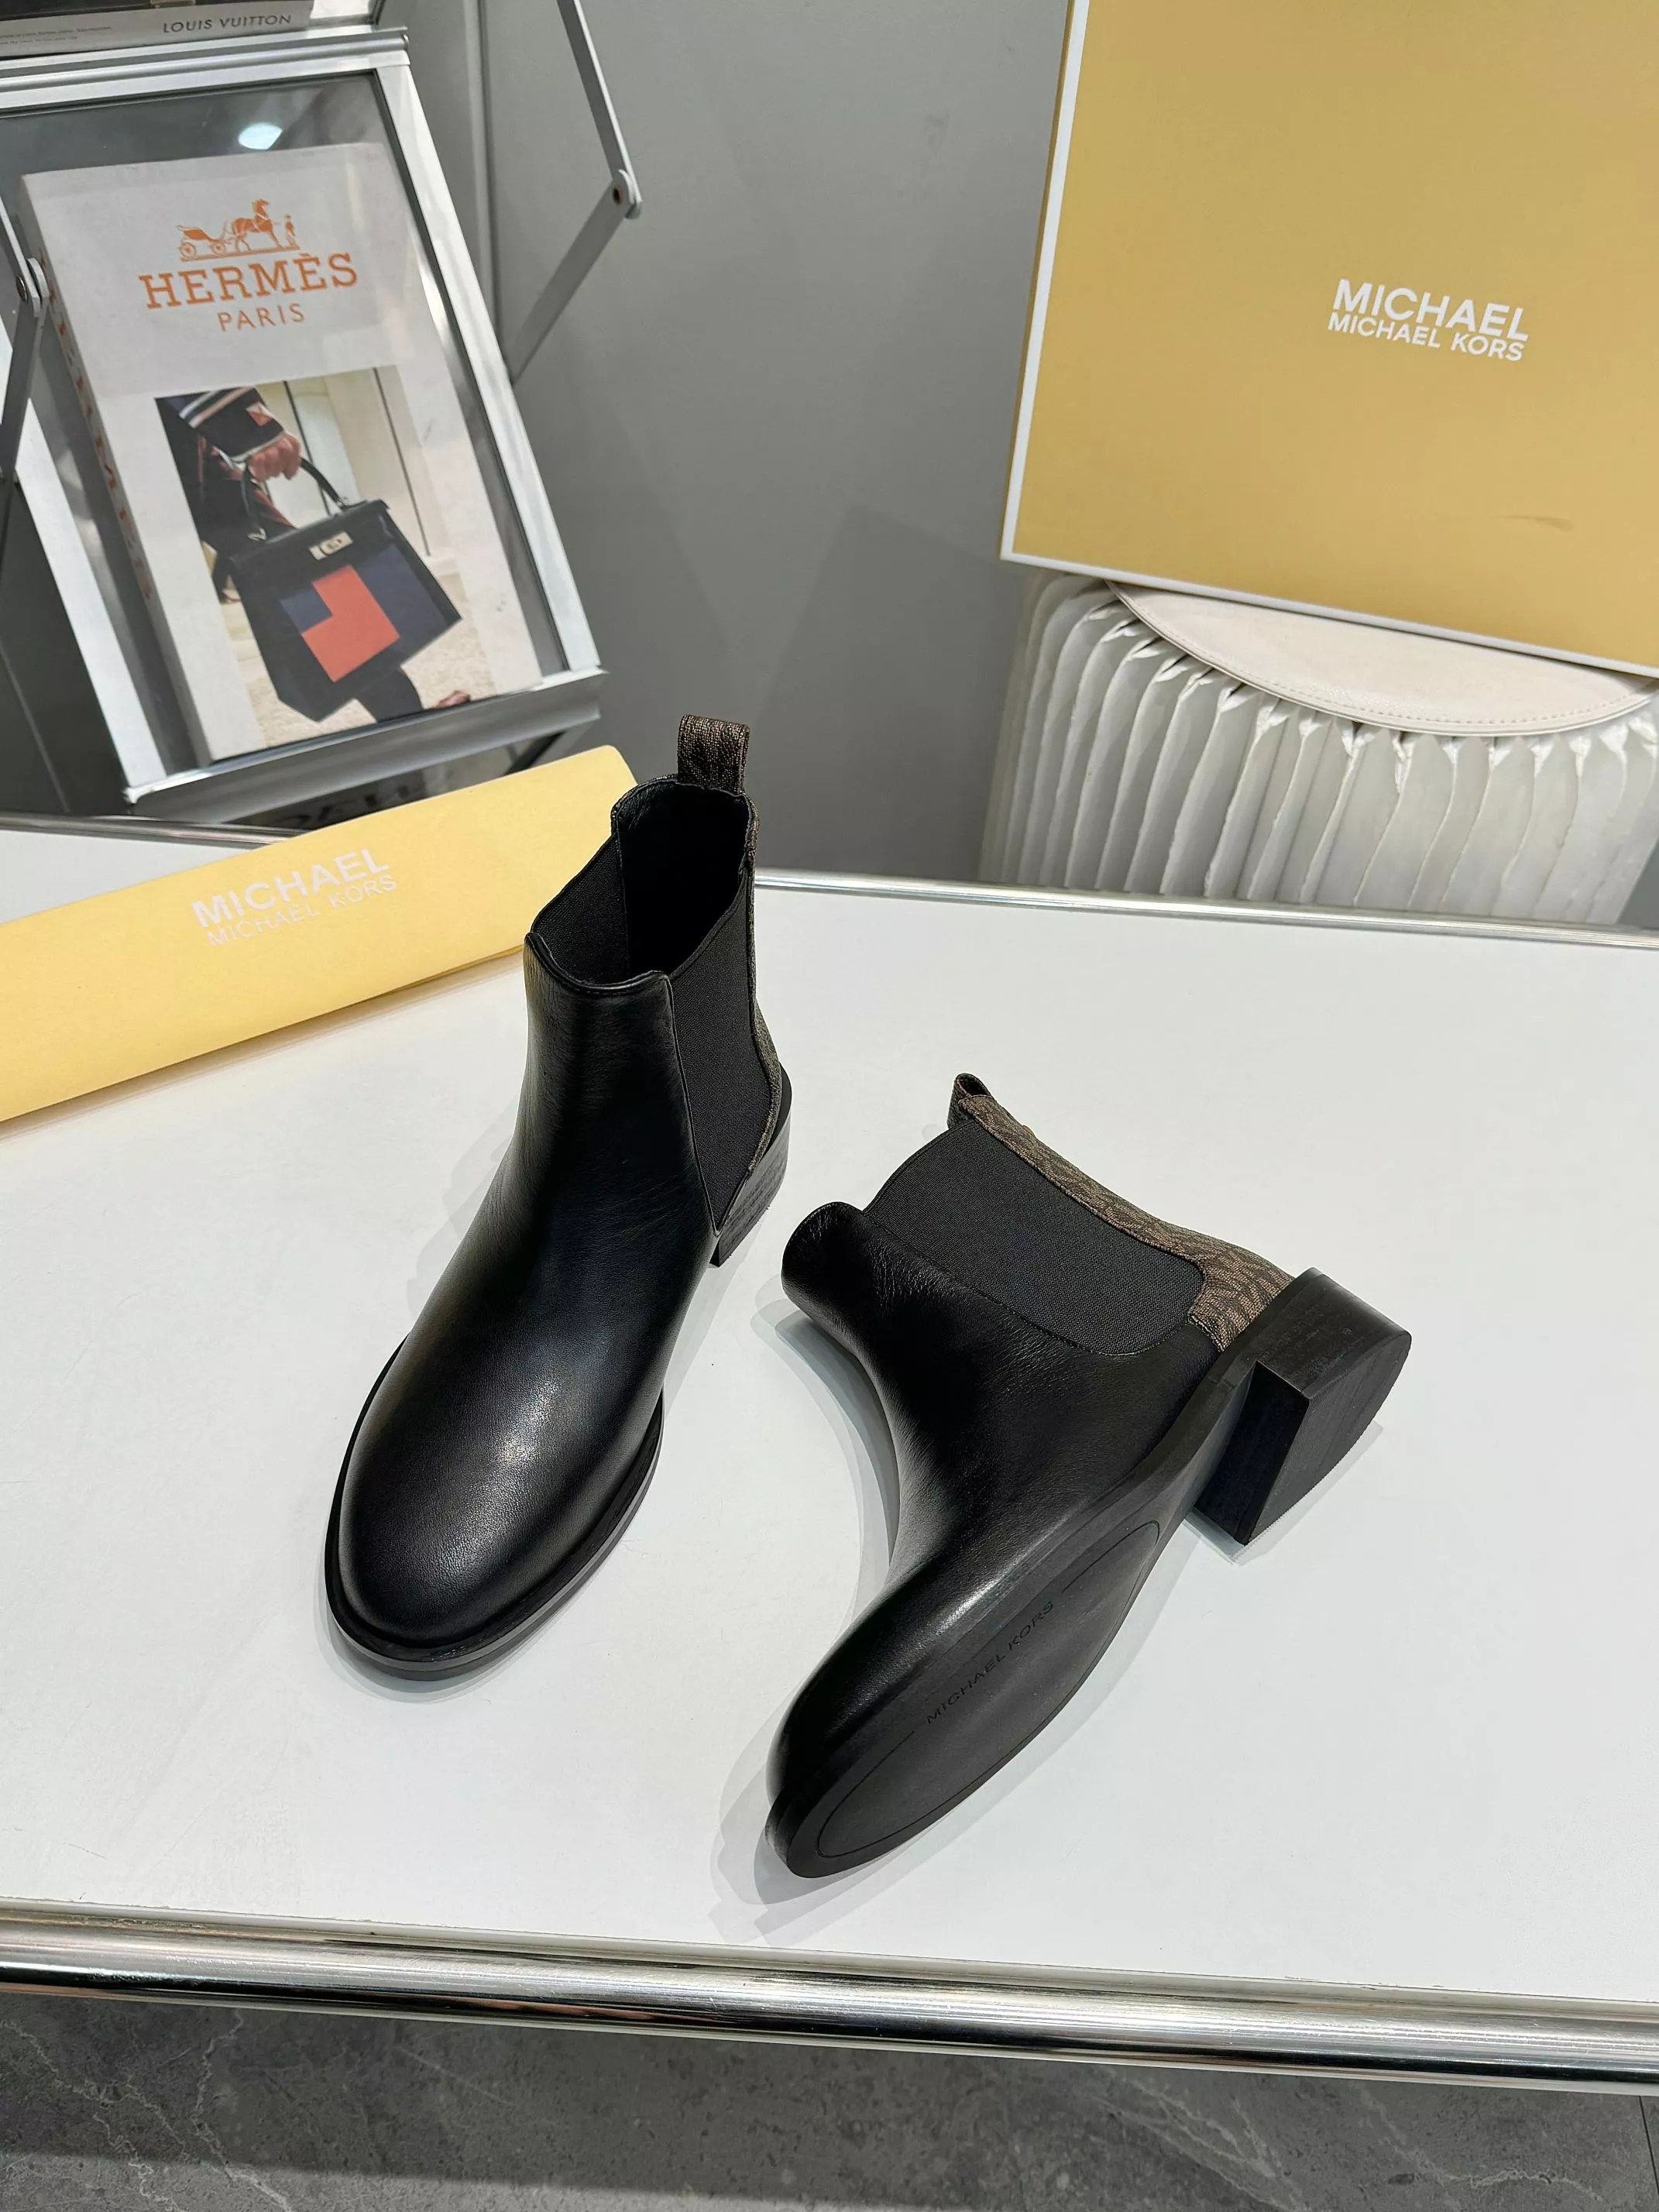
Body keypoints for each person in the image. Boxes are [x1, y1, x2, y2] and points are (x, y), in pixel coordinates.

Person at [158, 389, 465, 723]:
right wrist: (247, 427)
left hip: (190, 456)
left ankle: (405, 720)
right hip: (139, 464)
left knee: (305, 578)